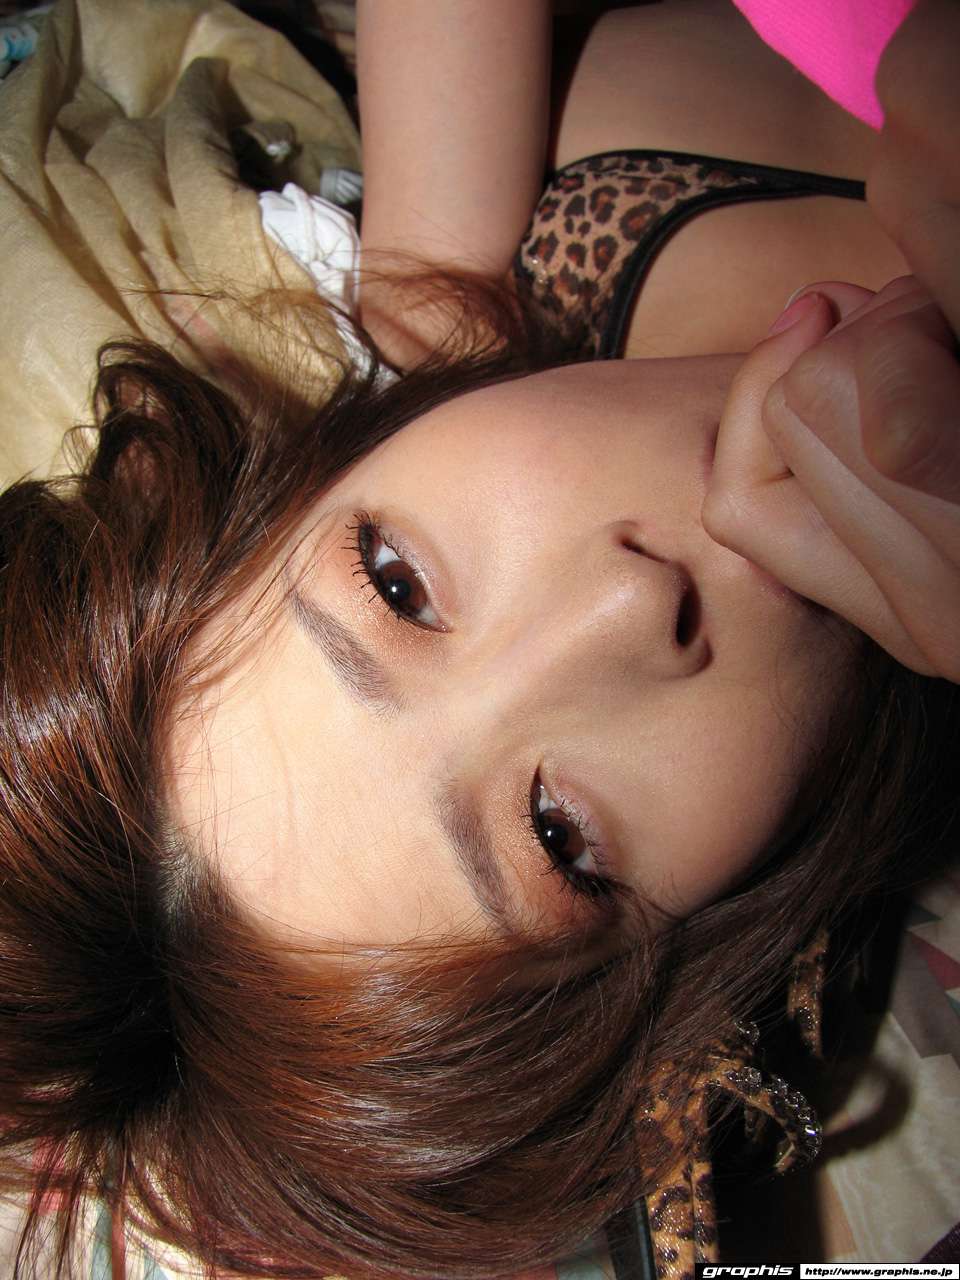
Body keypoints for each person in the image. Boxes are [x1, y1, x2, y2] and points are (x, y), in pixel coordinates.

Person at [0, 3, 956, 1279]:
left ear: (324, 462)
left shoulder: (471, 288)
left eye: (396, 585)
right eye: (557, 833)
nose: (626, 604)